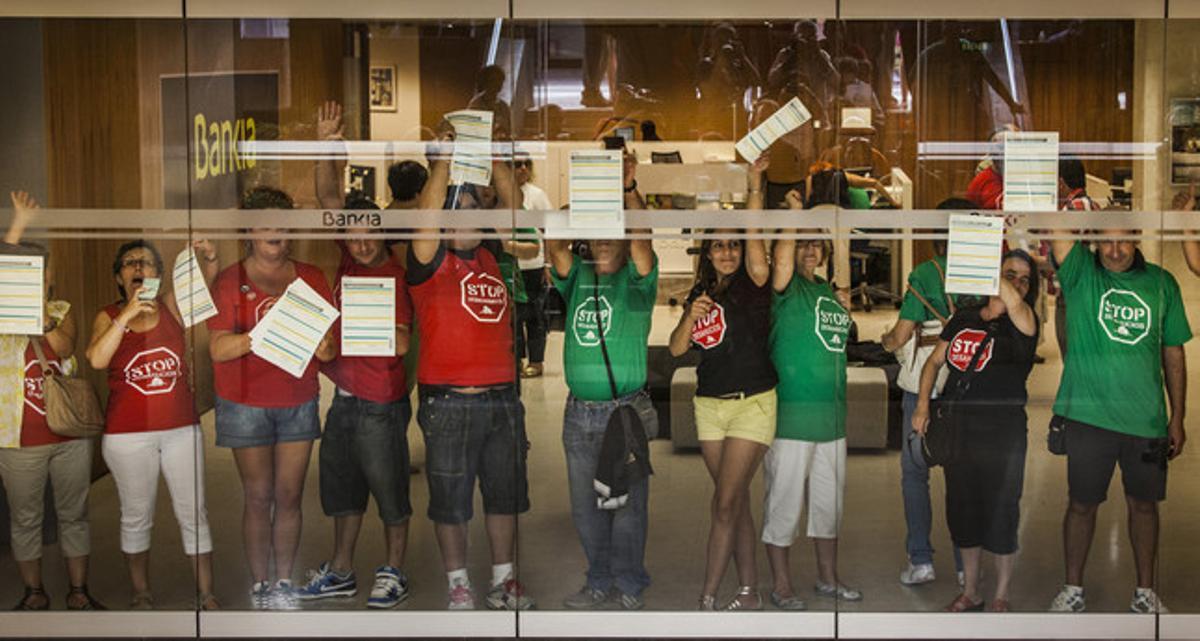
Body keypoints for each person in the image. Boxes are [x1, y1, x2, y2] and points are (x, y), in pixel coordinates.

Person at [407, 136, 533, 611]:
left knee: (505, 496)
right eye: (457, 210)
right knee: (451, 500)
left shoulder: (492, 258)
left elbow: (512, 203)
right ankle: (458, 582)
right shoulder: (429, 260)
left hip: (501, 398)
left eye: (475, 209)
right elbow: (426, 215)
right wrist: (441, 160)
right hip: (449, 401)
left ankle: (504, 581)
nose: (470, 217)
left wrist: (494, 151)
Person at [1046, 224, 1190, 613]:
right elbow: (1056, 226)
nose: (1114, 250)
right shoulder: (1081, 274)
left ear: (1137, 238)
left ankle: (1146, 592)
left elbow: (1173, 352)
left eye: (1123, 239)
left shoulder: (1162, 284)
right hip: (1088, 418)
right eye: (1105, 241)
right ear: (1093, 243)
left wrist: (1177, 417)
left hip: (1145, 421)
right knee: (1081, 504)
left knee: (1145, 506)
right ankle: (1072, 588)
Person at [206, 186, 336, 609]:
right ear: (249, 230)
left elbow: (330, 349)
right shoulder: (229, 280)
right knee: (258, 496)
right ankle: (260, 583)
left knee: (290, 496)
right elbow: (218, 348)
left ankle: (284, 582)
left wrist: (323, 347)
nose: (274, 231)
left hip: (297, 398)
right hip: (244, 403)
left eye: (282, 223)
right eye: (265, 223)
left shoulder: (312, 277)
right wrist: (265, 333)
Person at [546, 147, 658, 611]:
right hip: (579, 414)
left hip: (623, 412)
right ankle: (598, 578)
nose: (606, 240)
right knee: (586, 508)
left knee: (626, 508)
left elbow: (642, 240)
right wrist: (591, 199)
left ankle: (629, 581)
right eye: (598, 232)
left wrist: (626, 189)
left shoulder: (638, 281)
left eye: (614, 230)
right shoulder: (577, 278)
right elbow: (553, 238)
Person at [295, 195, 417, 609]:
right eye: (353, 236)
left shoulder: (395, 274)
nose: (361, 245)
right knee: (342, 490)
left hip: (381, 402)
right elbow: (328, 196)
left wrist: (367, 315)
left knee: (390, 491)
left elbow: (401, 341)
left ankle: (394, 570)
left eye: (369, 236)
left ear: (383, 233)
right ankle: (342, 572)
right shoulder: (349, 262)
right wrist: (329, 146)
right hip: (343, 400)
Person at [84, 238, 220, 611]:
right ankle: (141, 593)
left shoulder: (172, 307)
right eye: (129, 263)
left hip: (180, 429)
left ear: (159, 274)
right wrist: (126, 316)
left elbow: (205, 283)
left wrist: (209, 257)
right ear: (118, 276)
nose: (138, 269)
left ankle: (206, 594)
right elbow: (97, 358)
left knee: (193, 511)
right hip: (127, 435)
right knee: (136, 515)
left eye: (146, 263)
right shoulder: (107, 315)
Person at [668, 158, 775, 610]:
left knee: (725, 504)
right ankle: (749, 591)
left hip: (753, 403)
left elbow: (754, 246)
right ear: (707, 252)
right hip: (709, 406)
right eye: (719, 247)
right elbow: (676, 350)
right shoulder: (702, 294)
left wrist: (754, 186)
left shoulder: (754, 284)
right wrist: (690, 317)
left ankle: (708, 595)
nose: (728, 252)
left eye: (734, 245)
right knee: (736, 503)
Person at [911, 250, 1041, 613]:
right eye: (1009, 273)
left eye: (1024, 278)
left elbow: (1014, 302)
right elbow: (934, 362)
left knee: (1002, 510)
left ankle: (1000, 592)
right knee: (963, 509)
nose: (1016, 282)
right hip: (961, 431)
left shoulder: (1025, 322)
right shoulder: (965, 317)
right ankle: (972, 590)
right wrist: (922, 405)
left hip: (1004, 434)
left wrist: (984, 258)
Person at [0, 191, 101, 611]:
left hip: (67, 436)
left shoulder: (60, 309)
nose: (35, 279)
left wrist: (38, 311)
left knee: (73, 514)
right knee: (25, 520)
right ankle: (33, 592)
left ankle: (78, 592)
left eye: (40, 274)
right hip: (17, 441)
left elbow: (63, 346)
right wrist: (19, 226)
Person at [763, 211, 862, 610]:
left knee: (828, 507)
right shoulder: (782, 288)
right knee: (783, 504)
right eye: (802, 241)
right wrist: (795, 215)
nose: (810, 248)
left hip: (832, 419)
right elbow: (784, 259)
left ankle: (827, 577)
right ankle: (782, 584)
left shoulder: (828, 291)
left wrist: (845, 307)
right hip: (791, 417)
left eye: (816, 242)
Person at [880, 197, 974, 587]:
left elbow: (901, 335)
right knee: (961, 476)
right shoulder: (981, 273)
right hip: (966, 384)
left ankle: (921, 560)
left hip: (923, 384)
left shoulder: (924, 274)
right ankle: (966, 564)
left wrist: (886, 342)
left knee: (915, 474)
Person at [514, 154, 553, 379]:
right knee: (515, 318)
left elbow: (548, 232)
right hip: (512, 267)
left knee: (535, 317)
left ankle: (536, 361)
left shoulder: (536, 195)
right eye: (517, 164)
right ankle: (517, 359)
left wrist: (547, 264)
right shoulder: (505, 194)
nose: (522, 169)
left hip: (533, 266)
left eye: (525, 164)